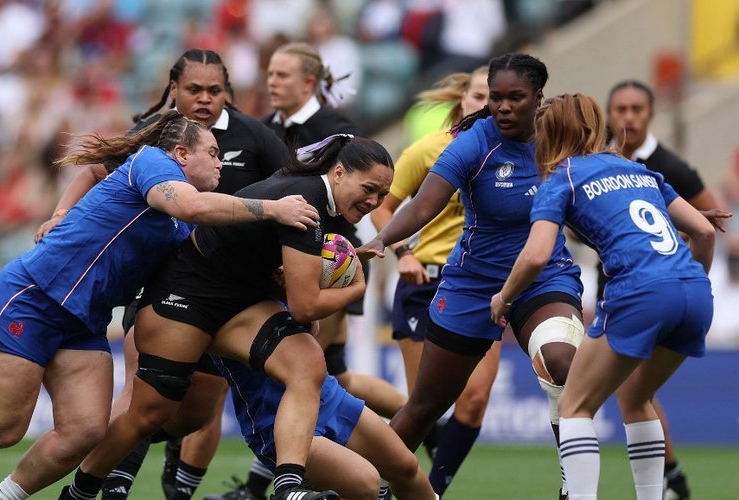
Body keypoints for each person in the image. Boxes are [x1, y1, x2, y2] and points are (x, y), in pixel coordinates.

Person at [0, 111, 320, 499]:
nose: (221, 163)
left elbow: (210, 254)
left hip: (84, 322)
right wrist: (272, 209)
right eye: (213, 154)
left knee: (84, 432)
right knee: (0, 428)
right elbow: (191, 207)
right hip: (34, 298)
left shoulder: (182, 223)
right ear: (181, 154)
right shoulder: (153, 164)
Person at [60, 134, 394, 500]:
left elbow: (291, 292)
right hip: (185, 295)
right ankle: (80, 492)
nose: (375, 202)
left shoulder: (324, 204)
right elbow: (304, 307)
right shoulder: (307, 197)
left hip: (238, 301)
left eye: (382, 195)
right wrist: (355, 288)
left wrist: (284, 287)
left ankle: (288, 487)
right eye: (370, 188)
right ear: (340, 173)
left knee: (306, 363)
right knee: (148, 413)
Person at [33, 48, 296, 500]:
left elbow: (296, 188)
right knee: (143, 401)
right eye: (194, 89)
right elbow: (96, 169)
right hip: (162, 288)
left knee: (195, 414)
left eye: (215, 90)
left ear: (227, 93)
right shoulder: (156, 136)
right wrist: (61, 212)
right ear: (173, 90)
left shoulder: (257, 137)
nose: (205, 99)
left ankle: (174, 486)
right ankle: (107, 486)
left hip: (234, 297)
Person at [359, 53, 582, 500]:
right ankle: (363, 485)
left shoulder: (559, 139)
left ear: (537, 98)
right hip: (474, 284)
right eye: (495, 97)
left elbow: (593, 199)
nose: (501, 107)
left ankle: (574, 487)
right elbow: (423, 205)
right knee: (424, 407)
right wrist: (383, 239)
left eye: (514, 98)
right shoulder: (472, 142)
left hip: (544, 278)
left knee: (562, 363)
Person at [200, 43, 406, 500]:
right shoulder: (270, 131)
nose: (272, 81)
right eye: (269, 72)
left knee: (315, 366)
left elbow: (332, 223)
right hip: (264, 276)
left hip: (310, 267)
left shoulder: (338, 133)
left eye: (283, 74)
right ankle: (290, 479)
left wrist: (344, 263)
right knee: (316, 370)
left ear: (310, 83)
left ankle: (286, 480)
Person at [490, 92, 720, 500]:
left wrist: (505, 297)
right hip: (694, 290)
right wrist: (685, 284)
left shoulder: (562, 179)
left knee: (575, 403)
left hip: (641, 291)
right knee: (636, 397)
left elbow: (537, 254)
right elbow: (702, 231)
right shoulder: (639, 171)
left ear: (546, 136)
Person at [369, 65, 501, 495]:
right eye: (479, 96)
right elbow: (382, 207)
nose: (487, 106)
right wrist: (403, 254)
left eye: (496, 98)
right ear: (462, 100)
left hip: (482, 286)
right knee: (423, 406)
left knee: (475, 401)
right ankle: (379, 484)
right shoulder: (429, 150)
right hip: (425, 280)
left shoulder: (517, 155)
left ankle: (432, 489)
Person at [604, 79, 723, 500]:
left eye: (637, 108)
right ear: (609, 114)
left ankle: (669, 481)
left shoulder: (672, 168)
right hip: (617, 290)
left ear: (651, 114)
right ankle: (671, 481)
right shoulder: (602, 160)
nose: (628, 117)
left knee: (631, 392)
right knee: (636, 393)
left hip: (656, 292)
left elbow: (713, 223)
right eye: (620, 109)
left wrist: (678, 269)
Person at [208, 302, 435, 500]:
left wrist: (337, 271)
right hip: (276, 417)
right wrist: (354, 283)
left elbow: (309, 314)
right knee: (366, 485)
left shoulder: (267, 267)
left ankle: (259, 487)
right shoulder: (210, 302)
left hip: (326, 394)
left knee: (405, 468)